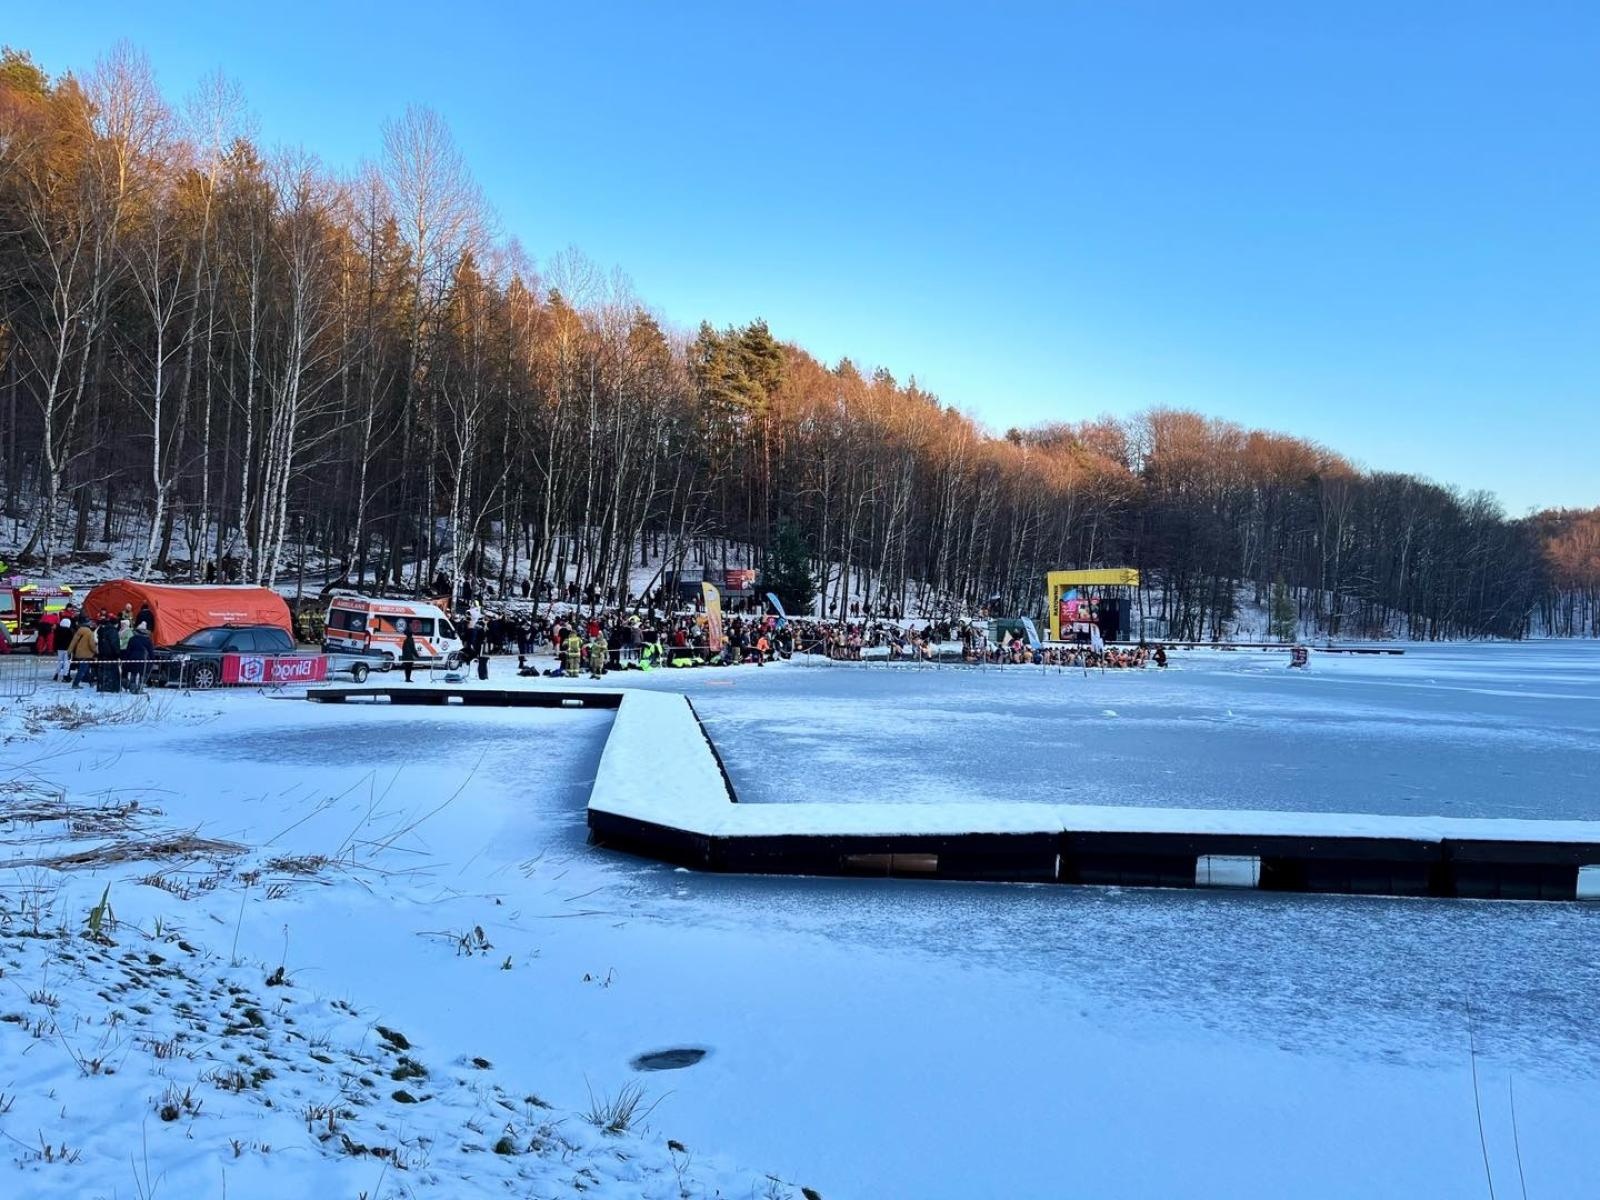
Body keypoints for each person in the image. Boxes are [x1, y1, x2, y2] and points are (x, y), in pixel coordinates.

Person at [95, 612, 122, 693]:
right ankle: (112, 687)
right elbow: (115, 644)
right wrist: (118, 654)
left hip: (102, 654)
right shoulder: (113, 631)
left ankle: (102, 686)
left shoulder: (102, 630)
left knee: (103, 671)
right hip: (111, 655)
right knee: (112, 672)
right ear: (116, 624)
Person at [125, 622, 154, 694]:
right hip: (143, 659)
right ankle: (140, 688)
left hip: (133, 659)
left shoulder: (132, 639)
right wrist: (152, 660)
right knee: (142, 674)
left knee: (133, 673)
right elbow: (151, 652)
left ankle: (132, 688)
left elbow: (128, 650)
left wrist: (127, 659)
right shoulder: (147, 640)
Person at [68, 617, 97, 688]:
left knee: (85, 669)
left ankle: (91, 682)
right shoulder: (90, 633)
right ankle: (75, 684)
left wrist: (69, 651)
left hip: (78, 654)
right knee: (82, 670)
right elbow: (92, 645)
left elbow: (73, 642)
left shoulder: (78, 631)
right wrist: (96, 651)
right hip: (86, 654)